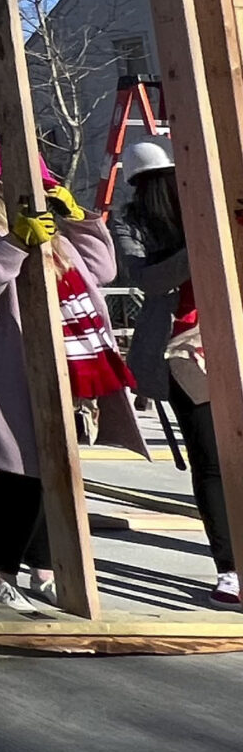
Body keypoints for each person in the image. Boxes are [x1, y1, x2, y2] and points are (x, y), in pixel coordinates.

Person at [0, 139, 125, 614]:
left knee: (50, 467)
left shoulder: (49, 228)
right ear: (3, 186)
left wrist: (78, 221)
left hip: (52, 360)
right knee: (18, 470)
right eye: (41, 186)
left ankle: (43, 570)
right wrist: (15, 241)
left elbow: (102, 270)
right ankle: (2, 572)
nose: (47, 194)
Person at [113, 138, 236, 606]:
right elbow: (147, 278)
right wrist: (205, 244)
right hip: (186, 346)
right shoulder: (132, 221)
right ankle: (230, 568)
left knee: (214, 462)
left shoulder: (211, 205)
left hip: (230, 333)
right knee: (211, 458)